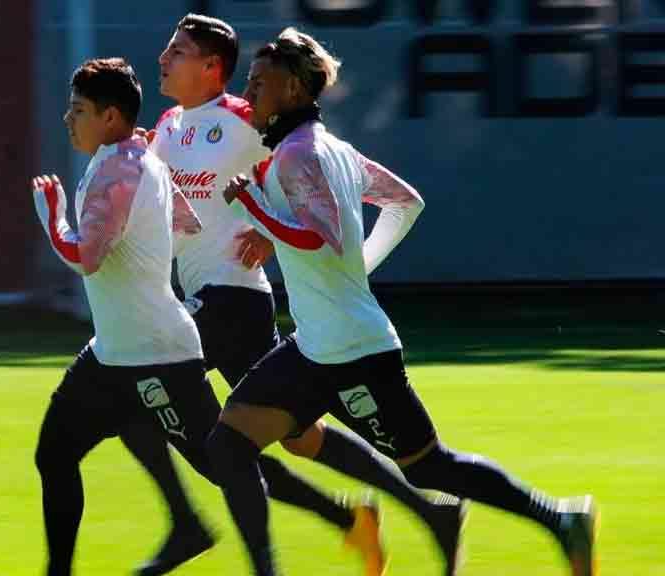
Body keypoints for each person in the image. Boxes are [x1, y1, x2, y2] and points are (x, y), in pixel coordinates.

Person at [206, 27, 600, 576]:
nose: (249, 92)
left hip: (353, 353)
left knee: (428, 466)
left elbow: (322, 240)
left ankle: (560, 519)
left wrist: (255, 208)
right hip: (316, 347)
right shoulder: (326, 148)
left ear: (294, 89)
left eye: (260, 82)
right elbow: (403, 204)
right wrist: (351, 271)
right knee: (226, 446)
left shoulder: (301, 156)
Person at [121, 14, 464, 576]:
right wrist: (139, 156)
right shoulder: (166, 125)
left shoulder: (242, 119)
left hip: (231, 296)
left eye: (176, 51)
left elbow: (292, 169)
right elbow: (171, 203)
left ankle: (191, 526)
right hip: (215, 301)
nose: (162, 58)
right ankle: (403, 513)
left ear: (211, 68)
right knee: (298, 436)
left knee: (147, 392)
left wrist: (266, 226)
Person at [31, 56, 216, 576]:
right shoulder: (135, 156)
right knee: (58, 452)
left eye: (79, 110)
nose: (69, 119)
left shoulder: (120, 167)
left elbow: (84, 256)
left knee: (228, 466)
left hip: (156, 353)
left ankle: (341, 514)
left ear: (110, 117)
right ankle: (184, 529)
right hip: (115, 352)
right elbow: (186, 223)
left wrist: (53, 215)